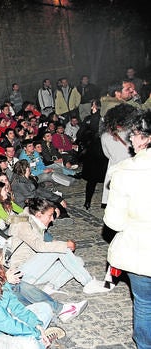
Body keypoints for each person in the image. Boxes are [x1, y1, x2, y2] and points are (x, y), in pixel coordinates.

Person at [103, 110, 151, 349]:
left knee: (144, 304)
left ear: (144, 137)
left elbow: (114, 222)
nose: (130, 139)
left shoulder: (125, 171)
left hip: (140, 251)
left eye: (133, 134)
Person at [0, 244, 64, 349]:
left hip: (8, 325)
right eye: (0, 260)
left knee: (45, 308)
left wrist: (36, 325)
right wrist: (36, 333)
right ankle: (40, 341)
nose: (3, 264)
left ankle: (39, 339)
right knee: (30, 344)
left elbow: (16, 307)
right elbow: (5, 323)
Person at [8, 198, 110, 295]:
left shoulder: (33, 221)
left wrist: (62, 245)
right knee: (59, 249)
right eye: (50, 215)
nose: (52, 219)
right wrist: (65, 245)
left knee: (77, 261)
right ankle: (88, 283)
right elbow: (39, 246)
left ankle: (51, 287)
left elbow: (44, 243)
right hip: (21, 273)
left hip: (36, 269)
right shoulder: (23, 223)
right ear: (39, 215)